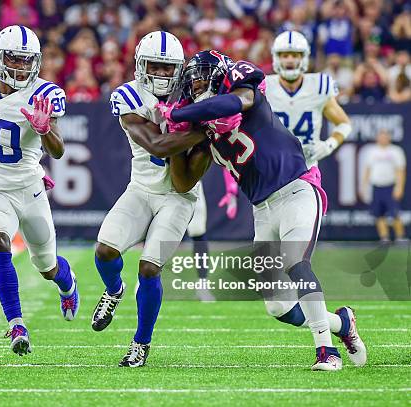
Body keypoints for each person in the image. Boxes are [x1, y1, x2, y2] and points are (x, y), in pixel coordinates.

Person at [159, 49, 366, 371]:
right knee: (278, 307)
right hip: (263, 209)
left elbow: (234, 103)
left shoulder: (243, 90)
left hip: (297, 189)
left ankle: (327, 350)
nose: (195, 85)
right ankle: (342, 323)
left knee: (297, 263)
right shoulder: (203, 128)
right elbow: (183, 182)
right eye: (192, 80)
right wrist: (175, 141)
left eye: (201, 77)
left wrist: (179, 115)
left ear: (217, 75)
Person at [0, 25, 79, 355]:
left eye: (28, 61)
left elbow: (57, 151)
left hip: (30, 190)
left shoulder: (44, 94)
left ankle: (67, 284)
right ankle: (16, 324)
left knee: (47, 266)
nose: (22, 67)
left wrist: (44, 131)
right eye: (15, 58)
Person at [91, 31, 210, 367]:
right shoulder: (128, 97)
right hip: (141, 189)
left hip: (178, 196)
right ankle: (114, 289)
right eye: (154, 66)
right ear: (141, 66)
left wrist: (202, 126)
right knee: (105, 251)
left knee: (149, 267)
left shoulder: (196, 99)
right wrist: (203, 128)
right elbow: (156, 145)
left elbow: (187, 178)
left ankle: (141, 343)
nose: (160, 74)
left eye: (167, 67)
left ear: (180, 69)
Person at [266, 31, 352, 169]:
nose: (289, 60)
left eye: (295, 55)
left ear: (304, 58)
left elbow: (344, 124)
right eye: (284, 55)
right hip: (271, 169)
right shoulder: (264, 87)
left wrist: (328, 145)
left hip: (306, 168)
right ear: (276, 58)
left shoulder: (319, 86)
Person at [362, 129, 407, 242]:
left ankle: (400, 237)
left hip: (390, 186)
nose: (383, 138)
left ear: (389, 138)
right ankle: (384, 237)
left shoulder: (396, 151)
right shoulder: (372, 152)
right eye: (381, 136)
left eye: (385, 136)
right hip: (376, 186)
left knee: (394, 213)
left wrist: (399, 187)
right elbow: (368, 170)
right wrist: (364, 187)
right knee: (379, 214)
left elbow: (401, 170)